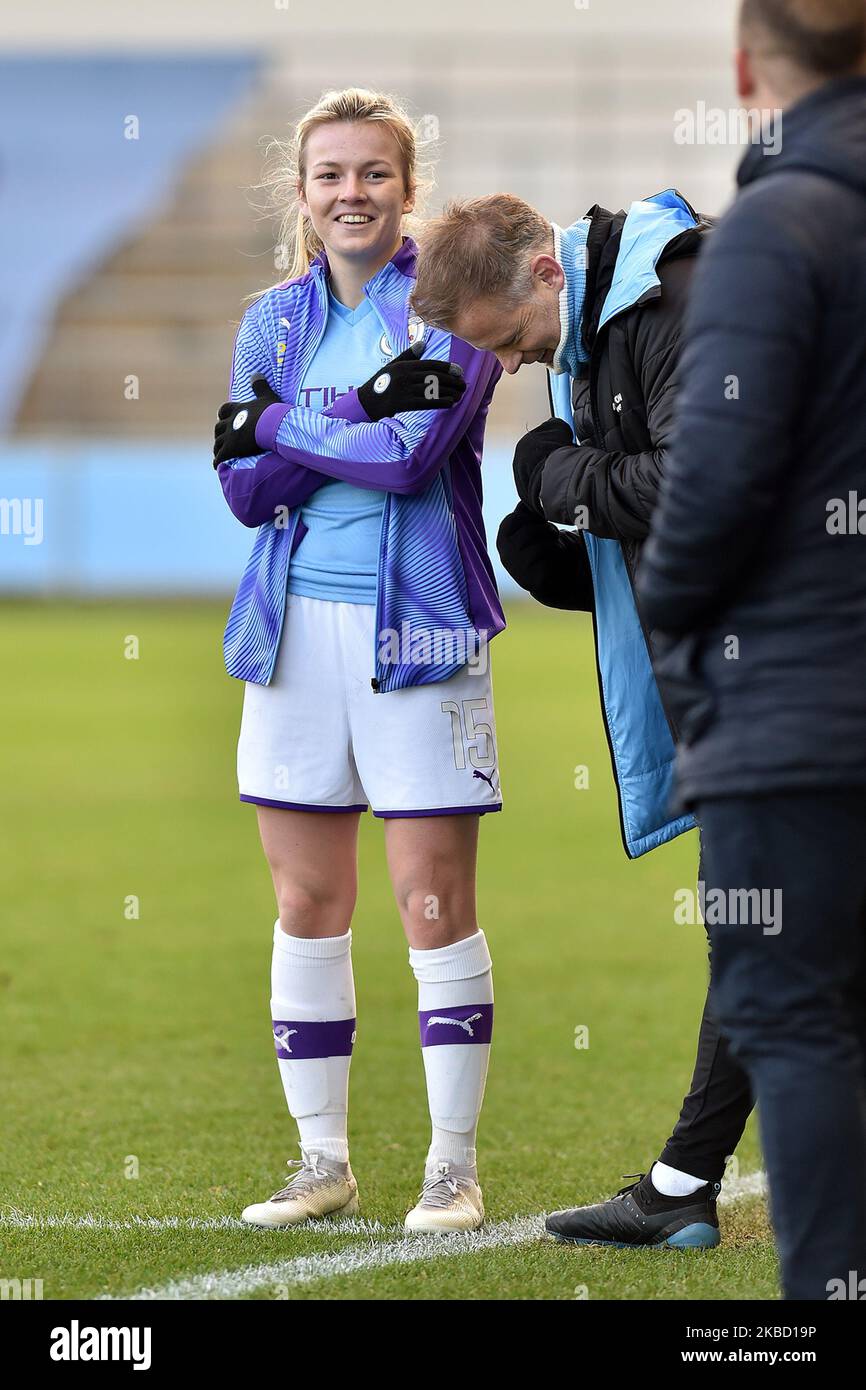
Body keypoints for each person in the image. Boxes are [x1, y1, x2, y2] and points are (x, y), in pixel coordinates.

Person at [412, 189, 754, 1249]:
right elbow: (653, 526)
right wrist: (556, 554)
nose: (508, 367)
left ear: (545, 275)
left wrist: (566, 477)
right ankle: (684, 1184)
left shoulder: (665, 301)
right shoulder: (601, 322)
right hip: (751, 669)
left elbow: (700, 485)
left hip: (791, 665)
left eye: (507, 341)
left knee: (759, 929)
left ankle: (682, 1185)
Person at [213, 88, 505, 1234]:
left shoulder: (453, 305)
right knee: (304, 898)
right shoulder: (269, 324)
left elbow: (409, 460)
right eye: (329, 175)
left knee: (429, 902)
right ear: (301, 192)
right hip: (288, 638)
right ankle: (319, 1160)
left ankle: (452, 1168)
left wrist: (281, 426)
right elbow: (242, 494)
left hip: (420, 632)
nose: (350, 194)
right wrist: (337, 427)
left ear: (406, 189)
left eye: (372, 174)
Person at [637, 0, 866, 1299]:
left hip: (798, 709)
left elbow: (710, 491)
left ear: (742, 64)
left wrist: (668, 608)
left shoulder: (772, 226)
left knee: (787, 1009)